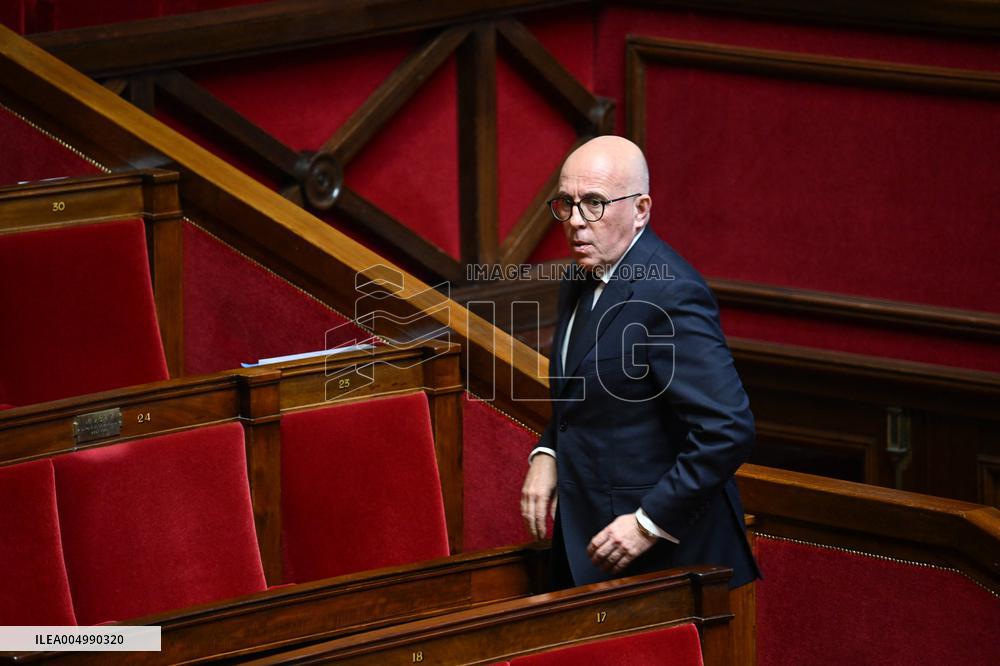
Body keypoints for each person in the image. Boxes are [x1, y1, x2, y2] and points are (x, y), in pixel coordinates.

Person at [520, 135, 759, 589]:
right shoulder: (579, 274)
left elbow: (729, 429)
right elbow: (587, 392)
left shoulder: (671, 293)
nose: (575, 222)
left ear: (641, 210)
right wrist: (548, 451)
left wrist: (647, 522)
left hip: (671, 561)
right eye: (566, 203)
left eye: (594, 203)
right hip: (589, 543)